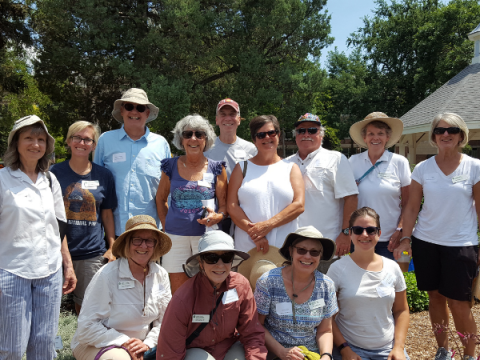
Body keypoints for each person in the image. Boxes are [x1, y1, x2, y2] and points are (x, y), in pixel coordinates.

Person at [395, 113, 480, 360]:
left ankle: (470, 354)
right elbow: (412, 207)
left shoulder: (474, 167)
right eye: (440, 130)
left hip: (461, 244)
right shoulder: (422, 168)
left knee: (460, 304)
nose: (446, 134)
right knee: (435, 298)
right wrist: (406, 238)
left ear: (461, 135)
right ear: (433, 136)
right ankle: (444, 349)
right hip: (426, 242)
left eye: (452, 130)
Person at [0, 115, 76, 359]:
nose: (35, 144)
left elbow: (58, 227)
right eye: (29, 138)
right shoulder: (2, 180)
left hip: (49, 272)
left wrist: (68, 265)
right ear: (16, 143)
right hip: (12, 270)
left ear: (47, 146)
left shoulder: (50, 180)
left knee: (44, 345)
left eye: (41, 139)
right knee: (11, 347)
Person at [71, 215, 172, 360]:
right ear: (126, 243)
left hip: (142, 344)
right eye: (137, 240)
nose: (143, 246)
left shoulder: (160, 274)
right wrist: (125, 342)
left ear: (155, 245)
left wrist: (149, 343)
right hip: (99, 343)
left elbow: (165, 320)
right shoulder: (107, 275)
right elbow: (87, 328)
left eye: (149, 240)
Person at [157, 230, 267, 360]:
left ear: (232, 261)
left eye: (226, 257)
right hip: (195, 352)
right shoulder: (183, 298)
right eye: (211, 258)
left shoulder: (241, 285)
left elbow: (252, 333)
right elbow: (170, 352)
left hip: (228, 348)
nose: (220, 265)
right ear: (200, 262)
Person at [156, 114, 227, 294]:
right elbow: (160, 198)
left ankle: (205, 322)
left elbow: (225, 205)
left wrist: (218, 216)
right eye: (188, 134)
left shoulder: (217, 168)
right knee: (178, 291)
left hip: (206, 236)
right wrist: (166, 225)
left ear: (206, 139)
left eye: (199, 134)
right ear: (181, 139)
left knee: (207, 288)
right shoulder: (170, 166)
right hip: (175, 238)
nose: (193, 139)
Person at [51, 120, 117, 315]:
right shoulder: (54, 173)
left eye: (87, 139)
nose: (82, 142)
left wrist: (112, 246)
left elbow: (106, 213)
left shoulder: (104, 175)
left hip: (91, 252)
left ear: (94, 145)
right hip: (56, 252)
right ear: (69, 141)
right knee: (50, 307)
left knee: (88, 309)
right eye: (76, 138)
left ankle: (83, 345)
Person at [327, 207, 409, 360]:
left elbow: (401, 310)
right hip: (349, 348)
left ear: (379, 233)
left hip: (388, 349)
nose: (364, 235)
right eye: (358, 230)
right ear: (350, 233)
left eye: (371, 230)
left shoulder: (393, 267)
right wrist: (344, 349)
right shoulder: (337, 269)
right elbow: (328, 315)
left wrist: (398, 347)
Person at [285, 113, 358, 272]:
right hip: (293, 245)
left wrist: (346, 233)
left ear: (321, 135)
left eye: (312, 130)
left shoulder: (336, 159)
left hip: (327, 244)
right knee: (295, 293)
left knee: (329, 293)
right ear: (295, 136)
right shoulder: (284, 163)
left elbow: (351, 197)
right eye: (301, 131)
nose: (306, 134)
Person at [94, 88, 171, 236]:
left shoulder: (161, 144)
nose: (134, 112)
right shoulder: (105, 140)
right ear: (122, 111)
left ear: (147, 113)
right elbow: (97, 182)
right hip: (115, 229)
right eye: (129, 106)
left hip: (151, 227)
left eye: (140, 108)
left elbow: (167, 187)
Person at [254, 226, 338, 360]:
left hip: (311, 354)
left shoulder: (327, 285)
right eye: (301, 250)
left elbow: (325, 331)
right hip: (275, 353)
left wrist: (326, 356)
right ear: (291, 251)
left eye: (314, 252)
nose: (307, 256)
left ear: (320, 256)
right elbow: (257, 325)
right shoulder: (268, 282)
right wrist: (281, 352)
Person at [228, 115, 304, 254]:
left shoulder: (291, 168)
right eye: (261, 135)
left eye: (271, 133)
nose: (267, 137)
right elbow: (232, 206)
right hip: (248, 246)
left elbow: (299, 205)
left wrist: (268, 225)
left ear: (278, 135)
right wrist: (255, 233)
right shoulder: (242, 168)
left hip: (284, 247)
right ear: (254, 139)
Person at [348, 112, 411, 260]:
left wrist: (400, 230)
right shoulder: (352, 162)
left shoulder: (399, 162)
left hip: (389, 239)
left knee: (387, 282)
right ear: (364, 137)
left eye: (380, 133)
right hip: (359, 236)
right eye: (371, 133)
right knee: (358, 281)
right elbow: (345, 200)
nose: (375, 137)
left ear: (387, 137)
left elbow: (409, 203)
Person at [204, 98, 257, 233]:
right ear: (216, 120)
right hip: (215, 213)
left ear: (239, 119)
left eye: (232, 114)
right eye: (223, 114)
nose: (228, 118)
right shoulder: (206, 149)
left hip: (244, 212)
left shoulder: (251, 149)